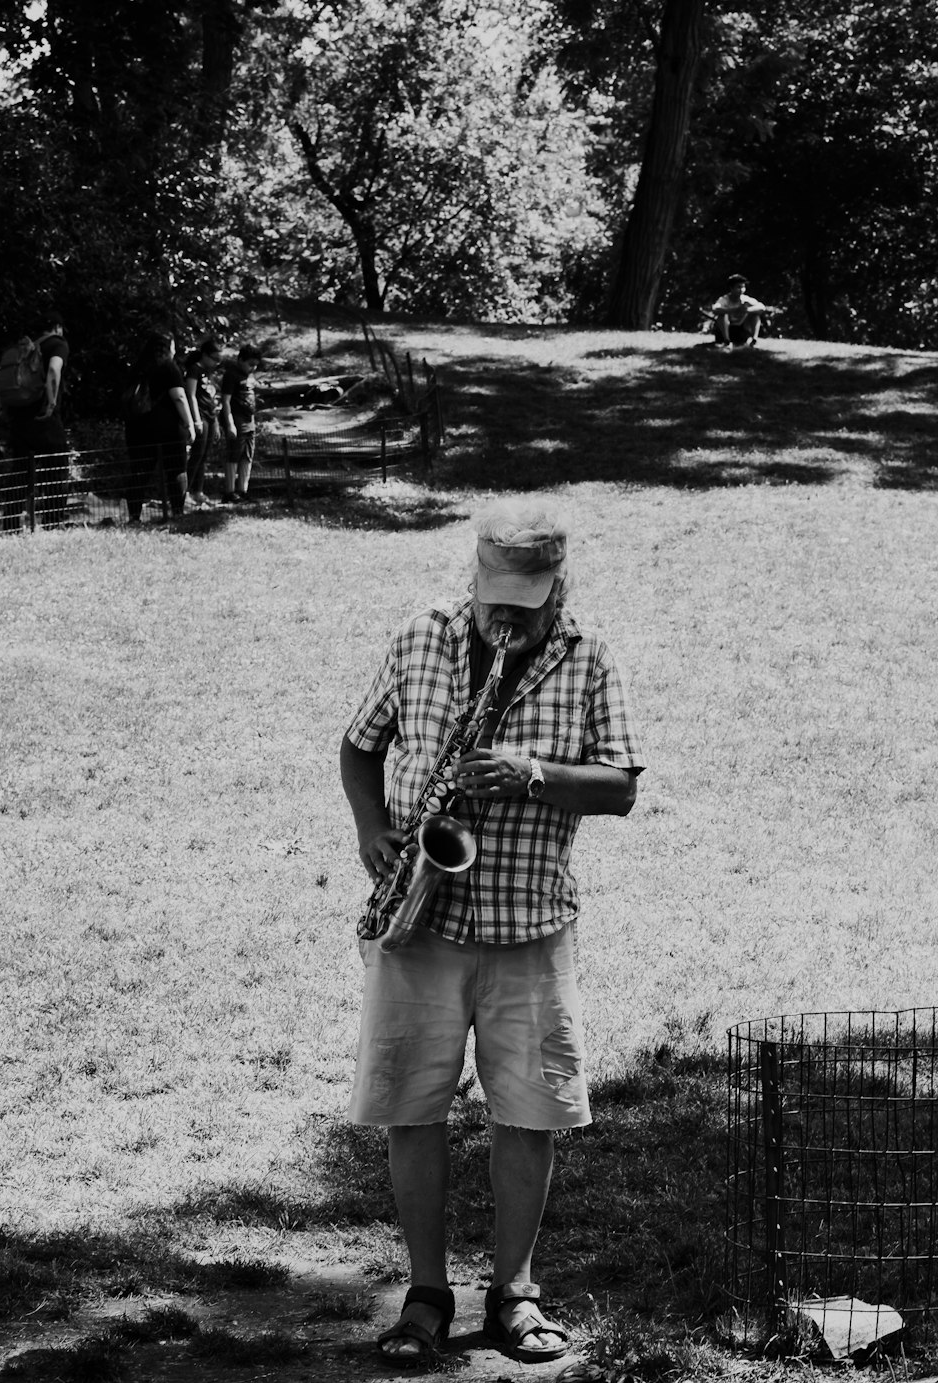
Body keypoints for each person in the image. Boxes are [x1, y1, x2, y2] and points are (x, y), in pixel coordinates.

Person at [340, 498, 645, 1367]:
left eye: (525, 599)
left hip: (530, 925)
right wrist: (372, 829)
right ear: (472, 576)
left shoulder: (588, 657)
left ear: (558, 587)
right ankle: (427, 1292)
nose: (505, 614)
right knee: (411, 1106)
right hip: (419, 922)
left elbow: (621, 785)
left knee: (530, 1114)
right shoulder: (420, 637)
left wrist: (533, 773)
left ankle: (515, 1290)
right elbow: (358, 747)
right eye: (494, 596)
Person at [0, 310, 70, 531]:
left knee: (20, 472)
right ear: (57, 327)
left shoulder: (23, 349)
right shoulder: (57, 344)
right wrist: (51, 402)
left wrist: (3, 408)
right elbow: (53, 369)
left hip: (19, 419)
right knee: (56, 468)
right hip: (44, 419)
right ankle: (53, 522)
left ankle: (10, 525)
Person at [122, 329, 196, 523]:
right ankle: (178, 513)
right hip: (168, 428)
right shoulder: (169, 367)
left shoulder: (137, 368)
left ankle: (134, 516)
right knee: (176, 470)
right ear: (168, 348)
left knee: (140, 472)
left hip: (138, 427)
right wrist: (190, 424)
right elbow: (179, 397)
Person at [183, 337, 223, 509]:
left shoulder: (208, 373)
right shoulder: (194, 370)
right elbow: (190, 395)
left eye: (218, 360)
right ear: (205, 355)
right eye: (214, 358)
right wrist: (196, 419)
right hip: (199, 417)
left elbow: (211, 397)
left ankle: (198, 492)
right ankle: (184, 493)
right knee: (197, 455)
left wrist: (216, 422)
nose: (216, 362)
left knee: (204, 455)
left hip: (210, 416)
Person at [220, 343, 262, 504]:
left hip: (249, 421)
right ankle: (229, 491)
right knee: (234, 454)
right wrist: (229, 423)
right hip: (236, 421)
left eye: (255, 365)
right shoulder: (231, 375)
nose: (253, 368)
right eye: (250, 364)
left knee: (247, 455)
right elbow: (226, 400)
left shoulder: (249, 376)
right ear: (240, 360)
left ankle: (242, 490)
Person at [707, 273, 770, 348]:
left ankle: (754, 341)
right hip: (726, 331)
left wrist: (747, 310)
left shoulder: (746, 299)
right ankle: (727, 341)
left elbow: (762, 307)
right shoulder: (724, 299)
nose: (741, 290)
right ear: (731, 288)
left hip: (741, 331)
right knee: (722, 316)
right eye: (738, 287)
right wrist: (733, 310)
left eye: (743, 287)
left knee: (755, 316)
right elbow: (715, 309)